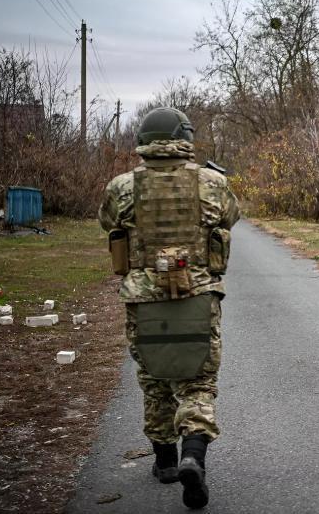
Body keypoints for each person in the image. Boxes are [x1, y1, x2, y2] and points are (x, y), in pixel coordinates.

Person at [98, 107, 240, 509]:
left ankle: (164, 462)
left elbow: (106, 221)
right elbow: (231, 216)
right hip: (197, 293)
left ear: (144, 140)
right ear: (185, 137)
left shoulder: (123, 186)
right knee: (198, 380)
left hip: (143, 298)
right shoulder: (211, 182)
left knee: (154, 377)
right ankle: (193, 455)